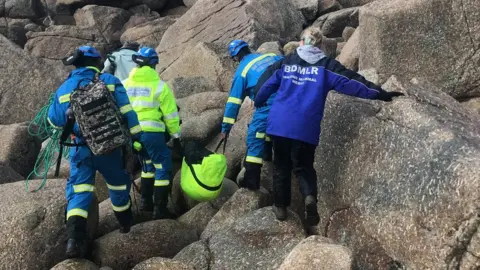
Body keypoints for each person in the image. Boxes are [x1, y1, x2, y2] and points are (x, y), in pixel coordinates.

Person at [254, 27, 404, 226]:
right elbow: (354, 82)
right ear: (320, 45)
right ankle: (309, 197)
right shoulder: (327, 66)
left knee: (281, 165)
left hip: (279, 124)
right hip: (305, 127)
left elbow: (265, 84)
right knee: (304, 166)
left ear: (301, 43)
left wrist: (259, 100)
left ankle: (280, 207)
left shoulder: (286, 62)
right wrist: (382, 94)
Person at [48, 45, 144, 258]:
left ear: (74, 64)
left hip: (81, 150)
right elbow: (129, 114)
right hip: (110, 147)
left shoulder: (63, 89)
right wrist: (139, 139)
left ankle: (74, 241)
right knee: (119, 186)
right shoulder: (110, 82)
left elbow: (54, 122)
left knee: (80, 191)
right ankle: (126, 225)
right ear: (96, 62)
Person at [123, 47, 182, 219]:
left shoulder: (125, 84)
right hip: (153, 133)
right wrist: (176, 137)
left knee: (147, 166)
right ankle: (159, 208)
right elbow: (171, 116)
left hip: (132, 135)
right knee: (163, 167)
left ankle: (145, 202)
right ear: (153, 64)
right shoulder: (160, 86)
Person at [221, 39, 283, 190]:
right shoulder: (271, 56)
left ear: (235, 57)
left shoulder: (242, 71)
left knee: (255, 136)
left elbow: (233, 102)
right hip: (288, 99)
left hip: (267, 104)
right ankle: (269, 154)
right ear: (248, 48)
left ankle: (252, 181)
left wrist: (225, 128)